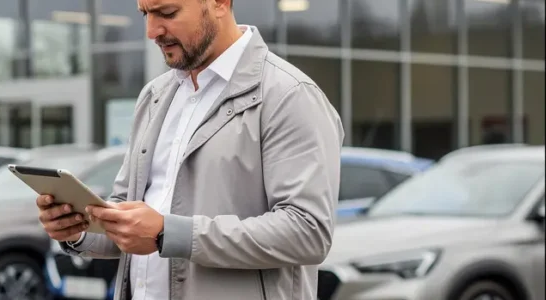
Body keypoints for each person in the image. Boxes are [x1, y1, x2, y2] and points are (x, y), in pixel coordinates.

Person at [36, 0, 344, 299]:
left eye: (167, 12)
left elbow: (308, 232)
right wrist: (78, 229)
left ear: (220, 3)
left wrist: (168, 233)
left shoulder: (289, 96)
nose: (151, 31)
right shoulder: (154, 96)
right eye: (145, 13)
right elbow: (130, 216)